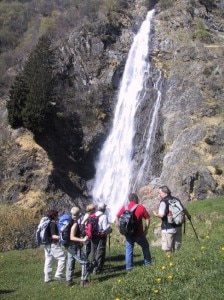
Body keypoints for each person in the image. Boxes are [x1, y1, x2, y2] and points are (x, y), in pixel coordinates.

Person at [116, 193, 152, 271]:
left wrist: (119, 227)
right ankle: (148, 264)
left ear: (129, 199)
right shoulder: (140, 207)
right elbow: (147, 218)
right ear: (135, 199)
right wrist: (146, 229)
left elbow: (117, 216)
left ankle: (129, 268)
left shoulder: (124, 207)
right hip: (139, 233)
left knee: (129, 249)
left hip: (128, 233)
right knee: (145, 246)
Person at [153, 185, 191, 254]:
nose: (159, 195)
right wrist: (188, 216)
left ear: (165, 193)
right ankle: (176, 261)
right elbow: (184, 209)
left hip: (168, 228)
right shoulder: (176, 199)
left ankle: (169, 262)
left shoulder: (163, 202)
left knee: (168, 250)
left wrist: (156, 214)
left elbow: (161, 215)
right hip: (178, 226)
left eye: (160, 193)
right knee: (176, 249)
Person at [66, 206, 90, 287]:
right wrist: (82, 240)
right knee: (85, 261)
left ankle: (69, 281)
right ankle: (84, 281)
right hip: (73, 246)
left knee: (70, 262)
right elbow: (72, 237)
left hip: (69, 246)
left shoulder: (68, 221)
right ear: (78, 214)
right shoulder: (75, 224)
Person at [44, 209, 66, 283]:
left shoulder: (47, 223)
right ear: (53, 216)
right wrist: (62, 237)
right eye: (57, 214)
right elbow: (54, 236)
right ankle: (58, 275)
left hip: (47, 245)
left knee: (49, 260)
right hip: (53, 244)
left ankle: (47, 278)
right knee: (62, 257)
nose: (58, 216)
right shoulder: (53, 224)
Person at [91, 203, 112, 275]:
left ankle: (93, 266)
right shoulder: (104, 216)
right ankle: (97, 269)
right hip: (100, 237)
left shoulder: (93, 215)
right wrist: (110, 229)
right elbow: (105, 228)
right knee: (100, 252)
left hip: (93, 236)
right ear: (104, 209)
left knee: (93, 252)